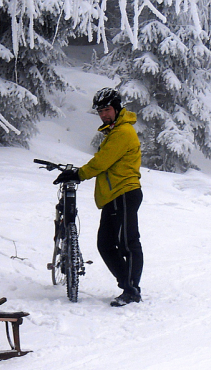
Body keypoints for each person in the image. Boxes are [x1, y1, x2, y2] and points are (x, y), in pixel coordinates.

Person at [54, 87, 143, 307]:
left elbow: (102, 161)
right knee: (105, 245)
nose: (103, 114)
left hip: (124, 192)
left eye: (107, 109)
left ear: (117, 108)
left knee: (127, 244)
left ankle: (131, 290)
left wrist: (78, 174)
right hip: (113, 196)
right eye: (100, 111)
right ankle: (127, 284)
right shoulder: (115, 132)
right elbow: (103, 161)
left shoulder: (123, 132)